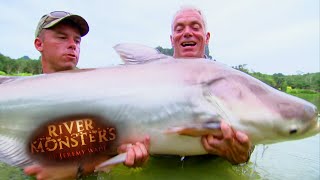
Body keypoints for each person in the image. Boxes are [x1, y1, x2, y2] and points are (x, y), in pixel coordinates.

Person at [23, 11, 149, 180]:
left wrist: (77, 169)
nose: (72, 45)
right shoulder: (22, 96)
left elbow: (112, 146)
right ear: (39, 44)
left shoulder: (98, 91)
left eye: (77, 40)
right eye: (62, 37)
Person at [170, 7, 254, 164]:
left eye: (195, 27)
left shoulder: (228, 82)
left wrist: (244, 153)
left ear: (206, 37)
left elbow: (251, 132)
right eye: (179, 28)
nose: (187, 33)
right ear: (172, 39)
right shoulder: (153, 78)